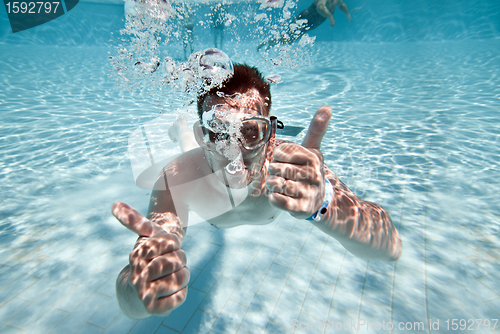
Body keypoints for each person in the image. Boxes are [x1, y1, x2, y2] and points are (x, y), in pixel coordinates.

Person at [112, 63, 402, 318]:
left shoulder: (294, 170)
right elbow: (131, 297)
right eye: (220, 131)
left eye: (250, 131)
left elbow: (391, 247)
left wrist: (325, 205)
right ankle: (185, 130)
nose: (235, 151)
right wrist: (138, 291)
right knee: (189, 150)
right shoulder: (177, 178)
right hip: (197, 162)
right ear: (207, 136)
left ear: (270, 134)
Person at [257, 0, 352, 51]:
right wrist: (331, 17)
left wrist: (347, 13)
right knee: (288, 38)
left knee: (289, 40)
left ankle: (271, 43)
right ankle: (268, 43)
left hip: (309, 23)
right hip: (304, 19)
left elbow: (342, 5)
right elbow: (320, 7)